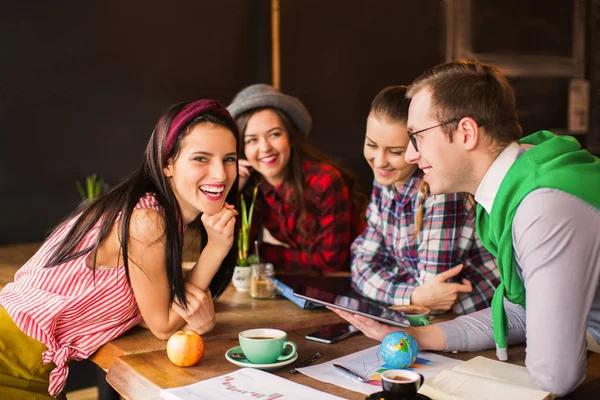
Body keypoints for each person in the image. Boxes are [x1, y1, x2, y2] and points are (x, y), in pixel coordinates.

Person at [332, 60, 600, 397]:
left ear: (466, 133)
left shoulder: (542, 205)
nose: (412, 155)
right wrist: (417, 336)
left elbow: (555, 375)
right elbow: (525, 308)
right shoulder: (517, 184)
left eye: (416, 137)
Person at [0, 100, 240, 399]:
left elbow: (149, 308)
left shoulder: (158, 214)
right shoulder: (148, 221)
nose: (220, 173)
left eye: (229, 159)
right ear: (167, 164)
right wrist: (216, 248)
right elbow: (164, 326)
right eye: (201, 159)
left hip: (33, 365)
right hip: (10, 360)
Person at [351, 86, 499, 315]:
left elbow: (434, 299)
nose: (379, 162)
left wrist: (405, 291)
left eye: (395, 151)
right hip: (420, 316)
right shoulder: (385, 181)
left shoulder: (438, 190)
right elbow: (360, 265)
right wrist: (411, 294)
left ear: (415, 147)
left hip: (478, 315)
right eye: (371, 145)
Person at [227, 84, 366, 273]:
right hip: (301, 285)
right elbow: (239, 254)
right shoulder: (254, 187)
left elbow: (330, 262)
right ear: (242, 149)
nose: (265, 148)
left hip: (346, 281)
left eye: (274, 134)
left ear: (291, 138)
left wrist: (265, 252)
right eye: (252, 140)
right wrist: (233, 192)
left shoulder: (325, 181)